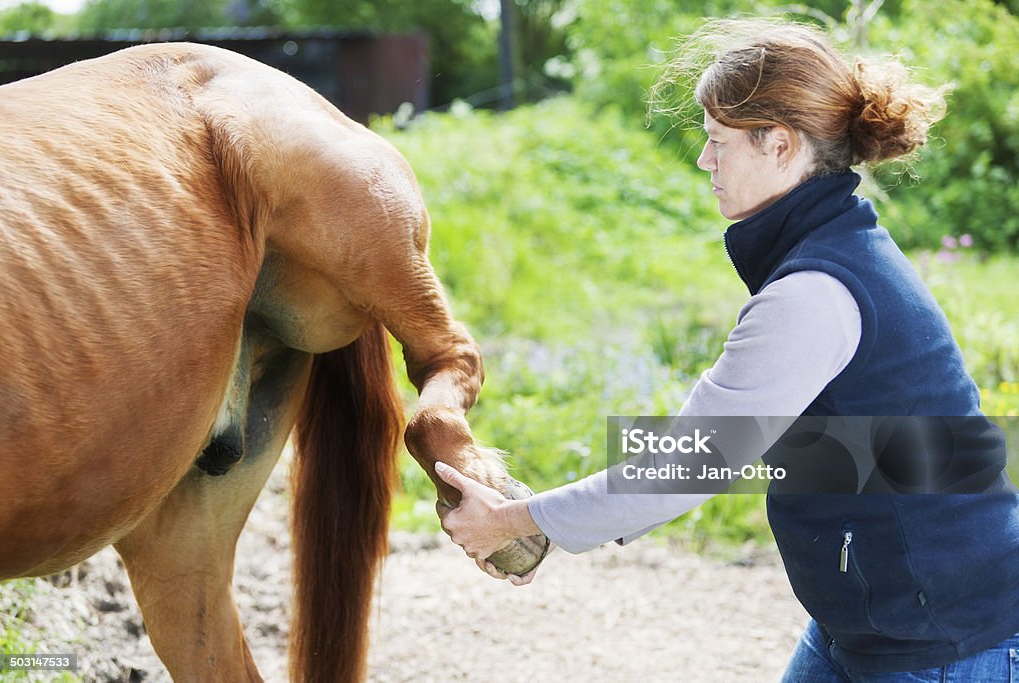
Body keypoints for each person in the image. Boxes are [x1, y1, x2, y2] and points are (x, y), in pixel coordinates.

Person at [434, 17, 1019, 681]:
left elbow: (684, 466)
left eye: (718, 140)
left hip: (942, 644)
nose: (705, 160)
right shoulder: (836, 252)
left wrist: (515, 520)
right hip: (872, 622)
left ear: (780, 145)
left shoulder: (814, 292)